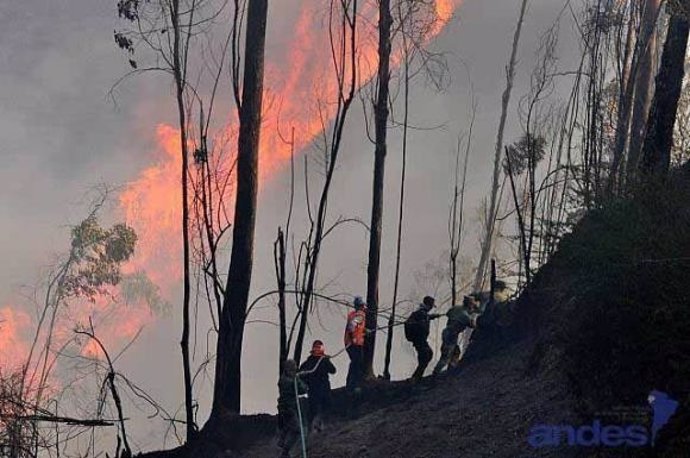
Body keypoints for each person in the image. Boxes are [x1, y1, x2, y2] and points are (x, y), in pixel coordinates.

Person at [432, 295, 480, 375]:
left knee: (456, 352)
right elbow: (473, 325)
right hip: (451, 335)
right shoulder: (466, 316)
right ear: (470, 305)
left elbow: (449, 313)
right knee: (446, 356)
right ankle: (435, 373)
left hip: (447, 333)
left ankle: (451, 370)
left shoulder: (455, 308)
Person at [299, 340, 336, 432]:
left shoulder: (323, 361)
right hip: (313, 388)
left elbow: (333, 370)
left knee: (326, 405)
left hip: (324, 387)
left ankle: (321, 424)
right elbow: (301, 375)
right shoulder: (308, 363)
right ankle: (311, 427)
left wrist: (327, 360)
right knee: (314, 408)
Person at [404, 296, 441, 380]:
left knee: (426, 355)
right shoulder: (421, 314)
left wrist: (432, 317)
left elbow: (425, 317)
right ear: (428, 305)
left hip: (420, 340)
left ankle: (416, 377)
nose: (431, 308)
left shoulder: (420, 313)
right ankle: (415, 378)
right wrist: (427, 318)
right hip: (419, 340)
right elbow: (422, 322)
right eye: (431, 306)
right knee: (426, 355)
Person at [277, 359, 308, 458]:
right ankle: (284, 452)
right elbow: (302, 389)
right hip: (288, 409)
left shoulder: (287, 379)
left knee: (290, 426)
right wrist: (297, 379)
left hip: (289, 408)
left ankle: (282, 439)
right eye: (293, 369)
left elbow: (303, 389)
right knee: (296, 430)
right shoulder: (286, 381)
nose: (294, 370)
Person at [344, 296, 366, 391]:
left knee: (356, 362)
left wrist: (365, 330)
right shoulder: (360, 315)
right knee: (357, 363)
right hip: (354, 343)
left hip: (353, 342)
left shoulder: (355, 315)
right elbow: (352, 327)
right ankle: (354, 384)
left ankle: (352, 384)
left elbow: (358, 328)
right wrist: (353, 338)